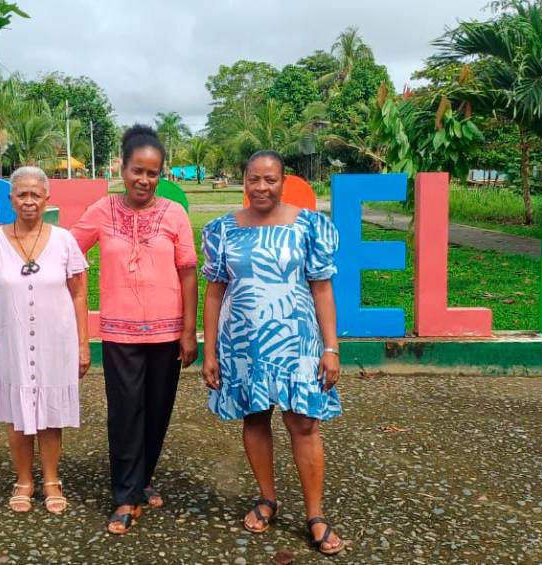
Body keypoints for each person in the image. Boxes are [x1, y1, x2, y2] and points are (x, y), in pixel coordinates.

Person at [200, 150, 345, 555]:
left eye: (270, 180)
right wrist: (209, 350)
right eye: (253, 179)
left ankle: (315, 515)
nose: (261, 188)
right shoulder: (222, 230)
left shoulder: (309, 226)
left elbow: (321, 287)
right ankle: (267, 499)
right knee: (255, 418)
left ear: (284, 181)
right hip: (244, 344)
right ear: (242, 181)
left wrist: (330, 348)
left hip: (297, 343)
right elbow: (214, 292)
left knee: (304, 425)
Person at [71, 125, 199, 535]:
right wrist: (15, 237)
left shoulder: (174, 213)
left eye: (153, 172)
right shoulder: (101, 211)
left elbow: (188, 272)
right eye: (137, 170)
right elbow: (67, 249)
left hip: (167, 332)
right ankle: (125, 496)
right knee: (125, 413)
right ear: (122, 169)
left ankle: (142, 478)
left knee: (158, 412)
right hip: (120, 333)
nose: (144, 180)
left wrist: (188, 330)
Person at [0, 166, 90, 514]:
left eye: (36, 194)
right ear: (11, 199)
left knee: (50, 412)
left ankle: (52, 480)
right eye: (22, 194)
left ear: (47, 198)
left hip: (57, 339)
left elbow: (80, 294)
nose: (29, 201)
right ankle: (23, 480)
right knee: (18, 412)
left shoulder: (64, 239)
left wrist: (83, 344)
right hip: (14, 338)